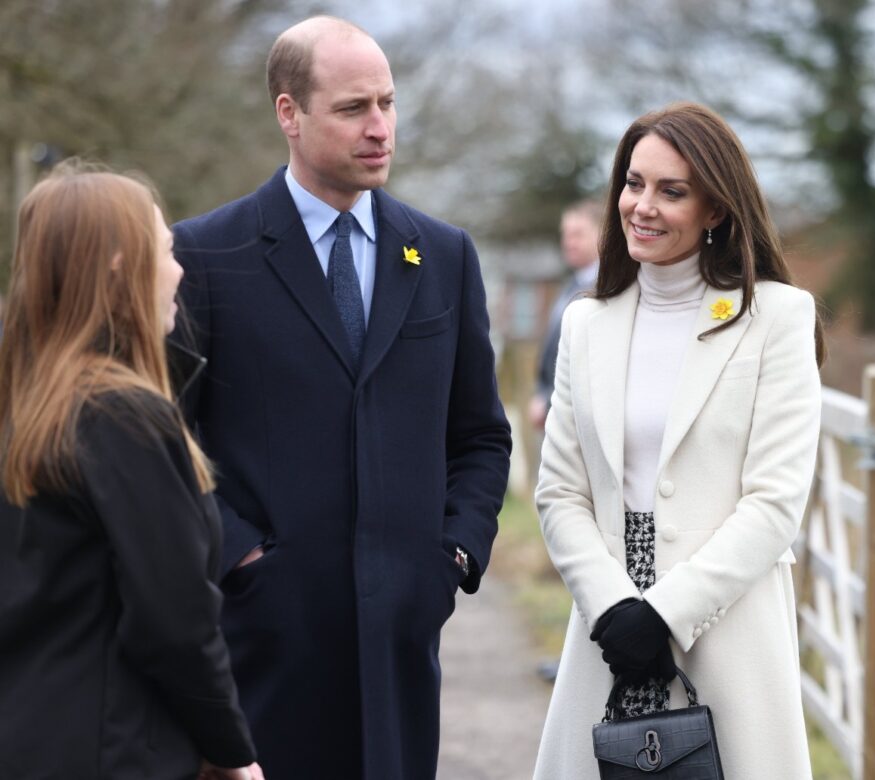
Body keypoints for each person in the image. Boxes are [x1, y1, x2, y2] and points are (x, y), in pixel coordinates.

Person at [171, 15, 512, 780]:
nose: (380, 127)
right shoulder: (206, 254)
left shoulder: (442, 254)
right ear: (289, 113)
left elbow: (481, 436)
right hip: (264, 644)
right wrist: (242, 557)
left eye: (387, 104)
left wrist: (453, 552)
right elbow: (170, 437)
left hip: (401, 640)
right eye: (354, 108)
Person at [533, 102, 825, 778]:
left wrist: (663, 613)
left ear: (716, 210)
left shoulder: (776, 318)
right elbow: (560, 492)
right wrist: (614, 609)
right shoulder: (586, 324)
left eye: (672, 191)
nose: (643, 206)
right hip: (609, 629)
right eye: (634, 184)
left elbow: (775, 501)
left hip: (725, 627)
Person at [0, 164, 263, 780]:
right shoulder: (122, 418)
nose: (179, 272)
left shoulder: (22, 405)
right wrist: (231, 751)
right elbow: (175, 622)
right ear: (121, 265)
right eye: (167, 250)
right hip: (110, 751)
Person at [527, 199, 602, 432]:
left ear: (602, 235)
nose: (568, 242)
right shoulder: (571, 285)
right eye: (566, 235)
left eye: (578, 234)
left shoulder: (607, 290)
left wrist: (549, 400)